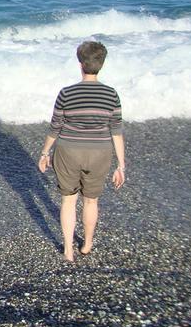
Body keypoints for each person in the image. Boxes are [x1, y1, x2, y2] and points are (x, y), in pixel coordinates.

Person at [37, 41, 125, 262]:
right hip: (100, 152)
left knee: (68, 200)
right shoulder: (111, 94)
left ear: (80, 64)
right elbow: (116, 131)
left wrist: (45, 153)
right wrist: (121, 165)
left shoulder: (66, 93)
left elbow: (55, 126)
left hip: (68, 151)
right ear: (102, 64)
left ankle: (68, 249)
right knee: (91, 201)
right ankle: (86, 244)